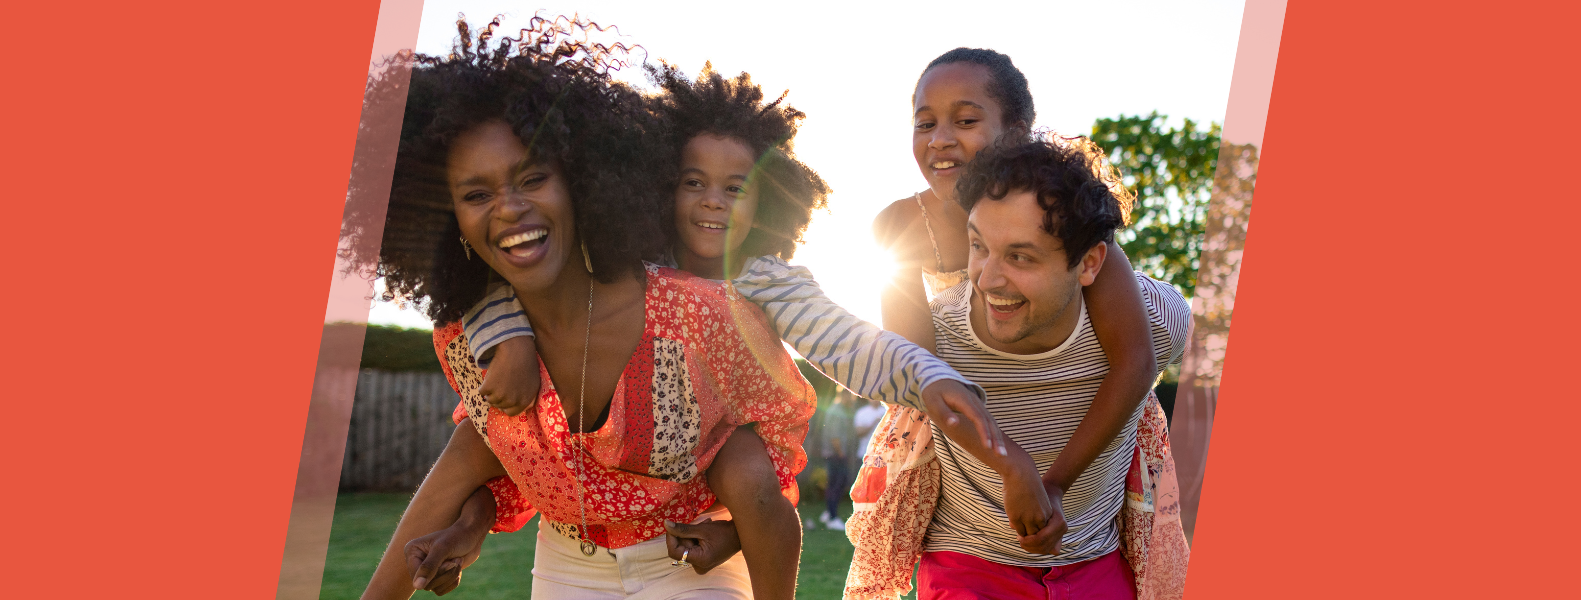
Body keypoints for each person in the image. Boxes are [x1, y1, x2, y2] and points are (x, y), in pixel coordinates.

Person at [354, 17, 817, 600]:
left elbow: (775, 432)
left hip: (690, 564)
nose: (509, 209)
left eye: (534, 178)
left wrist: (731, 526)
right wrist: (466, 528)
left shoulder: (698, 313)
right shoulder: (468, 344)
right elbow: (510, 462)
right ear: (453, 226)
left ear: (582, 181)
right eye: (476, 194)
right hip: (566, 568)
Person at [844, 47, 1179, 600]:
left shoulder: (1061, 211)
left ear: (1018, 130)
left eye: (966, 120)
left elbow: (1133, 358)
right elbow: (918, 378)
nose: (940, 138)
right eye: (924, 123)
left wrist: (1054, 484)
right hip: (969, 474)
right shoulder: (903, 224)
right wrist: (1014, 467)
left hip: (1072, 439)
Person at [918, 133, 1191, 598]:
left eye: (1020, 256)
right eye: (979, 246)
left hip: (1095, 560)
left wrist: (1058, 484)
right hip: (968, 560)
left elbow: (1136, 364)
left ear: (1089, 264)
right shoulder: (937, 335)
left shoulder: (1160, 322)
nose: (988, 279)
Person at [819, 387, 856, 530]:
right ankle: (833, 518)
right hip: (836, 455)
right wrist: (841, 454)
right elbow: (835, 437)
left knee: (835, 483)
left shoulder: (840, 409)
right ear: (844, 395)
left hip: (836, 454)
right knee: (837, 484)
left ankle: (829, 513)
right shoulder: (837, 411)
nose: (853, 399)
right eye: (851, 396)